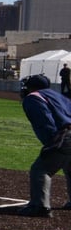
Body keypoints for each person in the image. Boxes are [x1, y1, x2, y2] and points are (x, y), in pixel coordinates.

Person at [16, 74, 71, 217]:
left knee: (40, 169)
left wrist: (51, 143)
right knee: (70, 168)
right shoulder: (57, 95)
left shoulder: (33, 97)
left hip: (63, 136)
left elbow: (44, 121)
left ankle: (40, 206)